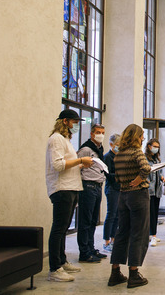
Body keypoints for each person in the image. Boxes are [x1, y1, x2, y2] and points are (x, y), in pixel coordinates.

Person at [46, 109, 93, 282]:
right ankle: (54, 269)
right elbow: (58, 165)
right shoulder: (56, 139)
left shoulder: (65, 139)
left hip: (71, 187)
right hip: (62, 189)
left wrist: (81, 165)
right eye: (74, 122)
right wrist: (81, 160)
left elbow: (67, 164)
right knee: (59, 229)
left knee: (64, 228)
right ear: (65, 121)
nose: (76, 126)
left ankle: (62, 261)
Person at [108, 124, 151, 288]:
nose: (143, 139)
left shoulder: (118, 155)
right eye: (141, 136)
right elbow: (146, 168)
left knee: (122, 233)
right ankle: (134, 274)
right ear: (136, 137)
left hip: (123, 196)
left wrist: (127, 182)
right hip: (138, 195)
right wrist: (139, 180)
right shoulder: (136, 152)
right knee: (138, 234)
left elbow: (117, 179)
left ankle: (115, 272)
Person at [77, 124, 107, 263]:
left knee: (94, 220)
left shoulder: (99, 149)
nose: (100, 135)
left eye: (102, 132)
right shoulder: (86, 149)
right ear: (92, 134)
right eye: (98, 132)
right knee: (86, 221)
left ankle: (90, 248)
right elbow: (78, 167)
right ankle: (84, 252)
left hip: (97, 186)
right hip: (88, 186)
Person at [103, 133, 121, 252]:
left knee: (118, 215)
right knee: (111, 214)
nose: (119, 147)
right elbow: (108, 174)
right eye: (118, 145)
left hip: (120, 188)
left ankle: (114, 239)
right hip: (112, 188)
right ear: (111, 144)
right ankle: (106, 241)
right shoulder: (107, 157)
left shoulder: (119, 156)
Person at [145, 139, 163, 246]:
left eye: (158, 147)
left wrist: (161, 177)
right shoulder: (145, 159)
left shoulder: (157, 160)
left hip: (157, 190)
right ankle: (152, 235)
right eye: (154, 146)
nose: (156, 148)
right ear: (149, 146)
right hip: (148, 190)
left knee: (155, 213)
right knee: (149, 213)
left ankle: (153, 234)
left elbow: (158, 173)